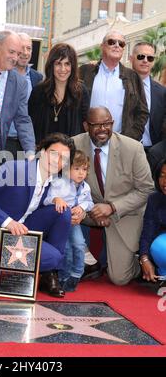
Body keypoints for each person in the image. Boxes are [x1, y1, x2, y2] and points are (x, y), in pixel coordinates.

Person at [0, 132, 75, 297]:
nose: (57, 161)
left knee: (63, 212)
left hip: (23, 226)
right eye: (53, 154)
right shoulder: (15, 169)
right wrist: (7, 222)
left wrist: (71, 206)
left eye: (63, 159)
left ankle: (49, 274)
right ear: (42, 152)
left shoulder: (53, 182)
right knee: (52, 258)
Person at [73, 106, 154, 285]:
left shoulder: (133, 148)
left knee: (119, 278)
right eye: (96, 125)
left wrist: (112, 208)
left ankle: (142, 258)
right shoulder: (74, 145)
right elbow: (63, 184)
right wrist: (89, 210)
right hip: (89, 210)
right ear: (86, 126)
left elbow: (146, 189)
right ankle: (76, 260)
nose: (103, 129)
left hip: (124, 213)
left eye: (107, 123)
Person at [79, 31, 148, 141]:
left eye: (121, 44)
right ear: (102, 46)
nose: (117, 46)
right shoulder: (85, 72)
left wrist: (132, 137)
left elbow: (142, 112)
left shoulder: (132, 77)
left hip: (121, 142)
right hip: (88, 141)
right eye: (111, 42)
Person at [0, 30, 35, 157]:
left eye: (18, 54)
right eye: (12, 52)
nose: (15, 58)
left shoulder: (19, 83)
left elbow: (22, 119)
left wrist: (30, 152)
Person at [44, 150, 94, 292]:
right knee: (65, 249)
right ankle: (63, 277)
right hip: (60, 223)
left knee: (79, 245)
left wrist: (82, 208)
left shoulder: (85, 187)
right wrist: (56, 199)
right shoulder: (59, 183)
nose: (81, 173)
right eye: (76, 169)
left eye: (84, 169)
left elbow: (90, 203)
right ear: (66, 169)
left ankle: (77, 273)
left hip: (74, 223)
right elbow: (46, 200)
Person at [29, 43, 89, 145]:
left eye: (67, 64)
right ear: (51, 65)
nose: (62, 69)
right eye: (58, 64)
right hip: (44, 152)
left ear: (73, 66)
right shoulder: (39, 91)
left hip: (72, 152)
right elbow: (31, 124)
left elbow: (85, 124)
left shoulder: (81, 91)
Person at [5, 32, 43, 157]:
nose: (25, 52)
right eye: (22, 48)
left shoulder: (37, 78)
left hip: (27, 145)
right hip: (4, 141)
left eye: (29, 48)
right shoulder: (4, 74)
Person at [130, 42, 166, 151]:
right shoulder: (119, 85)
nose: (145, 60)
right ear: (131, 58)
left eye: (150, 58)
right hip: (125, 149)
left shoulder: (162, 92)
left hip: (152, 152)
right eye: (141, 56)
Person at [139, 158, 166, 288]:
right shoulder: (154, 199)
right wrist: (144, 258)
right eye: (162, 175)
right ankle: (163, 275)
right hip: (163, 242)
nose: (164, 181)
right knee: (159, 246)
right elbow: (147, 232)